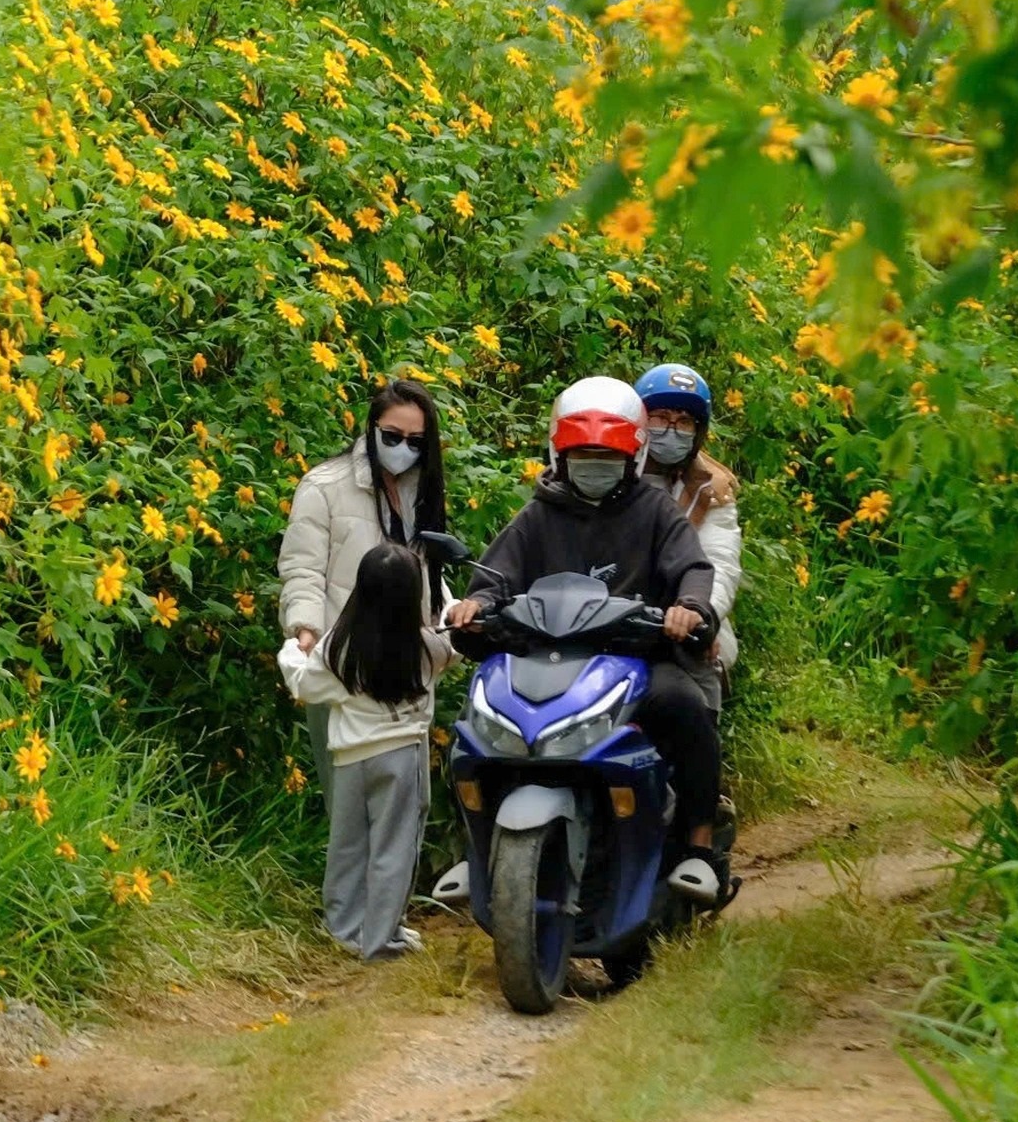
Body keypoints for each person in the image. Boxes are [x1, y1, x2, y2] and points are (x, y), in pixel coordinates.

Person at [446, 376, 726, 904]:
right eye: (583, 455)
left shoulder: (656, 511)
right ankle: (476, 851)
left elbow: (693, 567)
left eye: (608, 456)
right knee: (474, 725)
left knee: (687, 708)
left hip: (635, 663)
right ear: (559, 453)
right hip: (543, 659)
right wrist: (474, 607)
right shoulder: (537, 513)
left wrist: (688, 609)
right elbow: (494, 579)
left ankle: (698, 846)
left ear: (633, 458)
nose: (595, 465)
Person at [280, 543, 458, 960]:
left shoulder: (339, 649)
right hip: (401, 757)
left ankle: (345, 929)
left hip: (350, 760)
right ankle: (382, 939)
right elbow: (454, 638)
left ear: (360, 589)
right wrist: (449, 600)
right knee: (394, 849)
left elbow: (303, 683)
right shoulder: (426, 648)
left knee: (348, 847)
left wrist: (293, 647)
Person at [278, 380, 450, 809]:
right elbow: (303, 569)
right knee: (347, 804)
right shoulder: (323, 486)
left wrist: (448, 623)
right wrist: (305, 629)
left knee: (407, 805)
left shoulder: (421, 490)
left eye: (415, 440)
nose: (402, 448)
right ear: (371, 428)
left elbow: (429, 571)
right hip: (343, 662)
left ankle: (394, 879)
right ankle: (348, 877)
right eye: (392, 437)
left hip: (406, 665)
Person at [634, 363, 743, 707]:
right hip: (606, 605)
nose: (671, 430)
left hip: (682, 612)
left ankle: (698, 754)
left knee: (700, 672)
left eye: (683, 422)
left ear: (698, 432)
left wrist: (701, 616)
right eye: (660, 417)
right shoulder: (607, 467)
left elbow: (721, 564)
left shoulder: (712, 489)